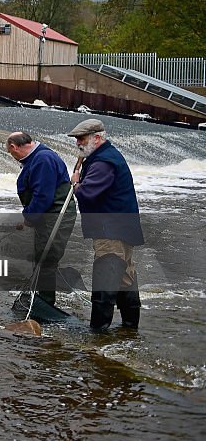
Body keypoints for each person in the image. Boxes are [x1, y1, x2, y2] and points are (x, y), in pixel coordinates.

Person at [67, 118, 144, 330]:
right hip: (123, 227)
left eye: (81, 139)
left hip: (110, 230)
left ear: (98, 138)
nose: (78, 144)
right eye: (77, 140)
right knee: (125, 278)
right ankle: (130, 329)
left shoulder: (103, 162)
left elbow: (88, 194)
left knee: (105, 280)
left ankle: (98, 333)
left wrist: (75, 182)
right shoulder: (107, 156)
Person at [6, 131, 77, 307]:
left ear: (14, 147)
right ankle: (41, 295)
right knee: (42, 256)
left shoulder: (42, 159)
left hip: (56, 215)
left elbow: (43, 196)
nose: (13, 156)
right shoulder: (37, 157)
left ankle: (46, 303)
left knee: (47, 258)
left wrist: (29, 217)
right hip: (48, 216)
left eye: (11, 152)